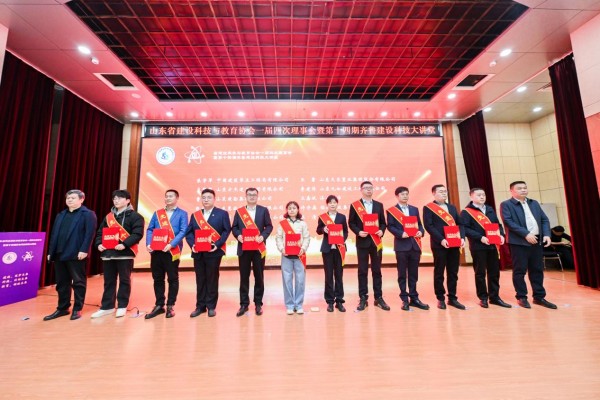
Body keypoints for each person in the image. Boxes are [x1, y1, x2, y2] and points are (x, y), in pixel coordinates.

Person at [500, 181, 557, 309]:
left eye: (525, 188)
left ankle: (539, 297)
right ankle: (521, 297)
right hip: (519, 242)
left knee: (537, 270)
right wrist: (525, 234)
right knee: (519, 271)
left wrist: (547, 234)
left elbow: (544, 219)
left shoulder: (534, 203)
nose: (523, 190)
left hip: (536, 241)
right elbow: (508, 222)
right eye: (519, 188)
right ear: (512, 191)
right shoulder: (506, 204)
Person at [44, 189, 97, 321]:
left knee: (78, 282)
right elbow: (54, 234)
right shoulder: (61, 215)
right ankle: (62, 308)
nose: (69, 200)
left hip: (76, 253)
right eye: (68, 198)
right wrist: (50, 252)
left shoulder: (88, 214)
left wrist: (84, 250)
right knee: (61, 283)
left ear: (81, 199)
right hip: (59, 254)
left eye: (73, 198)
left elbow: (89, 234)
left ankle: (77, 309)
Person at [92, 189, 144, 318]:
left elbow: (137, 234)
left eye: (119, 198)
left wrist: (124, 244)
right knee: (109, 281)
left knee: (124, 280)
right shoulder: (108, 217)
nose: (116, 200)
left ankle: (122, 306)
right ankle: (107, 306)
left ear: (127, 200)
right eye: (114, 198)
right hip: (108, 254)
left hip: (125, 254)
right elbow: (100, 233)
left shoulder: (135, 216)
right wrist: (99, 244)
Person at [461, 188, 511, 309]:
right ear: (471, 196)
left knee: (494, 272)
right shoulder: (466, 212)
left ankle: (495, 297)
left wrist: (501, 235)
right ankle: (483, 298)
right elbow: (465, 229)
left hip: (493, 245)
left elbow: (497, 224)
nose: (482, 197)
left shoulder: (489, 209)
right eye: (478, 195)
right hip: (478, 246)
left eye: (483, 194)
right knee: (480, 273)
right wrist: (480, 238)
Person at [186, 188, 231, 318]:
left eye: (209, 197)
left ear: (214, 199)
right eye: (204, 197)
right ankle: (200, 306)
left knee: (212, 278)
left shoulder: (222, 214)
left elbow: (226, 231)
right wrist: (193, 245)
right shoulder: (195, 215)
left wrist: (217, 245)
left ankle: (211, 306)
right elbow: (189, 232)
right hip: (198, 252)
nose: (206, 200)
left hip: (214, 252)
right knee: (200, 279)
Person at [144, 189, 188, 319]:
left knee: (172, 278)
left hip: (172, 251)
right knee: (158, 278)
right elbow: (150, 229)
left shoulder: (182, 214)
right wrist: (148, 243)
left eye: (171, 196)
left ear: (177, 198)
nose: (168, 198)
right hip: (156, 250)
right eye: (166, 196)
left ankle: (170, 305)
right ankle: (159, 305)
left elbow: (183, 230)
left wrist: (172, 244)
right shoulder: (158, 213)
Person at [423, 184, 466, 310]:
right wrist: (441, 239)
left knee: (453, 272)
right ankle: (440, 298)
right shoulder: (428, 208)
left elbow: (460, 224)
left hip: (454, 244)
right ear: (434, 193)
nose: (444, 193)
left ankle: (452, 298)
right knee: (439, 271)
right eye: (441, 191)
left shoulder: (452, 207)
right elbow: (429, 226)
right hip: (439, 244)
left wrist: (462, 237)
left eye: (445, 191)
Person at [231, 187, 273, 317]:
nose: (252, 196)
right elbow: (234, 227)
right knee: (244, 277)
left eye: (254, 195)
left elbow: (269, 226)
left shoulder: (263, 210)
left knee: (259, 276)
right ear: (246, 196)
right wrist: (238, 235)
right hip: (244, 249)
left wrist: (263, 236)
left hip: (258, 248)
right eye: (249, 194)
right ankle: (244, 304)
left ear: (257, 196)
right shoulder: (239, 212)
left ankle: (258, 303)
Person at [386, 186, 429, 311]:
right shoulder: (392, 211)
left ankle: (414, 298)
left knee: (413, 274)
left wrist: (421, 232)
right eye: (402, 194)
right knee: (402, 274)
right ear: (397, 196)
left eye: (406, 194)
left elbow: (419, 224)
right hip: (401, 246)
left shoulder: (414, 209)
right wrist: (400, 234)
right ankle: (404, 299)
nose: (405, 196)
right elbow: (390, 226)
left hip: (415, 245)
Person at [348, 181, 389, 311]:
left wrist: (382, 230)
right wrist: (358, 232)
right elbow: (351, 223)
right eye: (366, 188)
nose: (369, 190)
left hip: (376, 242)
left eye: (370, 188)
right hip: (362, 242)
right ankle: (363, 298)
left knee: (377, 270)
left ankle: (378, 297)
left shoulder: (378, 205)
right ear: (361, 190)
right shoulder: (355, 205)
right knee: (362, 271)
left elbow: (383, 223)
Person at [275, 201, 310, 315]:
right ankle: (290, 305)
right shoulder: (282, 224)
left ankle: (298, 305)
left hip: (300, 256)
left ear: (298, 210)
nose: (292, 210)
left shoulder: (302, 223)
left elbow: (306, 237)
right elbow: (278, 237)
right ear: (287, 210)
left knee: (300, 281)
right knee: (287, 280)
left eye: (294, 208)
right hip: (286, 256)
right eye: (289, 208)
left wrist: (303, 248)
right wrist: (281, 249)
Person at [316, 195, 349, 312]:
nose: (332, 204)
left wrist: (341, 239)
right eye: (330, 202)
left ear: (337, 204)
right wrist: (323, 229)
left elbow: (345, 231)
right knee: (328, 275)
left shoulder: (342, 217)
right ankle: (330, 301)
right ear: (327, 204)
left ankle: (339, 301)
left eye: (334, 202)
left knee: (339, 275)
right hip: (327, 250)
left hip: (339, 249)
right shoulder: (323, 217)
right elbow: (318, 230)